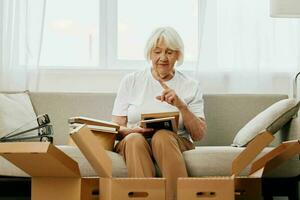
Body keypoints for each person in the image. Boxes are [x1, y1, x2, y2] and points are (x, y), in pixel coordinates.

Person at [112, 26, 206, 200]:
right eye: (157, 52)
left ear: (178, 55)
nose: (162, 58)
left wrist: (182, 106)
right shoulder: (131, 81)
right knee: (133, 140)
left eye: (169, 52)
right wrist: (131, 131)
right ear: (150, 54)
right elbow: (116, 127)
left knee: (162, 136)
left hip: (174, 142)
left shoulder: (190, 85)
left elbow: (199, 134)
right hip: (134, 140)